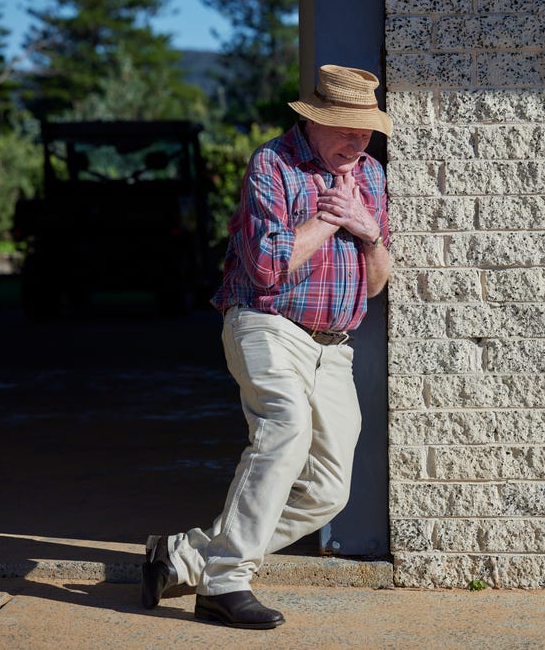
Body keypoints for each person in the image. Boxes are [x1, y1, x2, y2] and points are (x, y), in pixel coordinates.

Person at [140, 64, 392, 630]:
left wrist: (368, 230)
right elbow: (267, 268)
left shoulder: (370, 176)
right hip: (266, 322)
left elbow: (376, 283)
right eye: (347, 128)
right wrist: (333, 219)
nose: (358, 140)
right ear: (315, 120)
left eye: (366, 130)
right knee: (285, 429)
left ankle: (182, 557)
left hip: (334, 344)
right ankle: (224, 582)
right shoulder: (273, 165)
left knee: (328, 490)